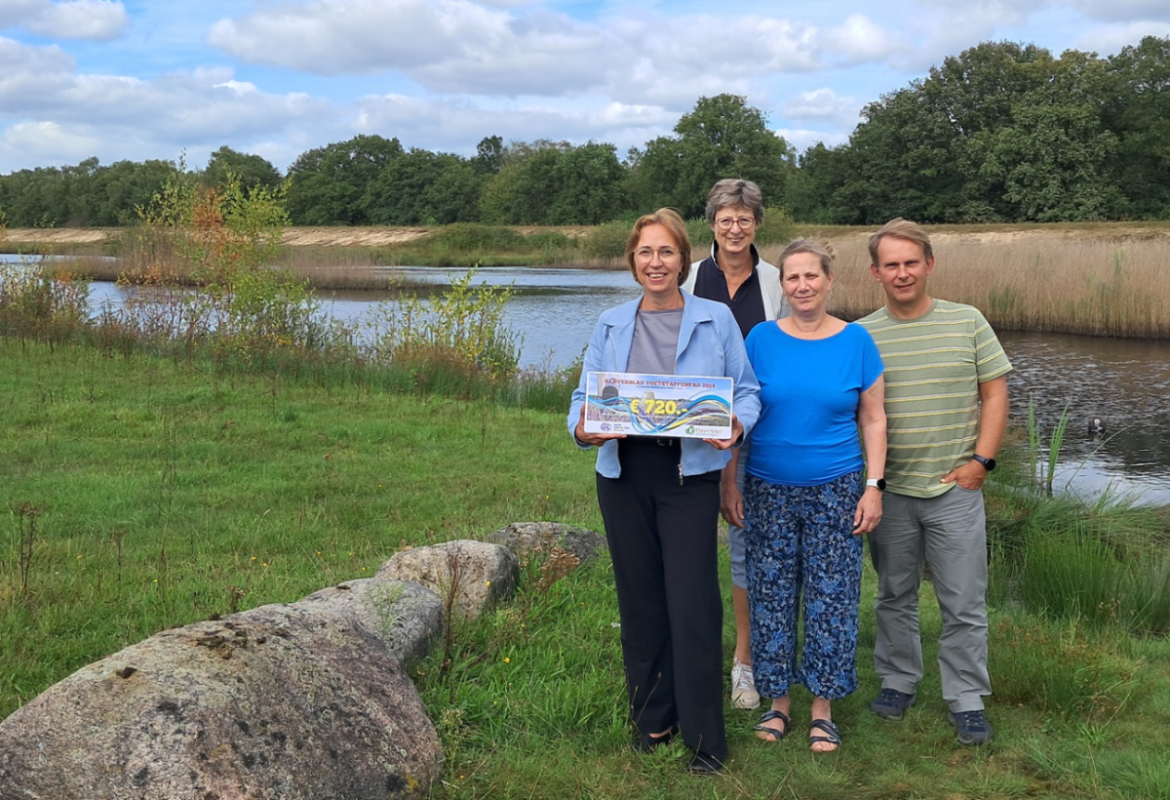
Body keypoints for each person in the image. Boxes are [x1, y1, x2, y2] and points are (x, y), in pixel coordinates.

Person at [567, 208, 760, 773]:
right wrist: (583, 427)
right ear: (633, 261)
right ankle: (655, 719)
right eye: (645, 253)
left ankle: (706, 738)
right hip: (624, 475)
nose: (656, 263)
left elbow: (745, 392)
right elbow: (584, 399)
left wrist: (735, 425)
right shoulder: (609, 322)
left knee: (693, 601)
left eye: (667, 252)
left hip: (689, 477)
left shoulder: (715, 319)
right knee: (641, 600)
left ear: (684, 259)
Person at [857, 218, 1011, 747]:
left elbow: (994, 394)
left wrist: (981, 463)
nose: (902, 273)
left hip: (954, 488)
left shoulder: (967, 322)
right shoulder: (862, 335)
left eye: (911, 263)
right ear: (876, 272)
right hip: (890, 490)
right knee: (894, 593)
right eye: (891, 265)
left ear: (929, 264)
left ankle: (966, 697)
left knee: (963, 599)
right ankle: (899, 681)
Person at [741, 240, 886, 753]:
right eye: (792, 278)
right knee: (772, 593)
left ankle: (822, 707)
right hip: (767, 486)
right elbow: (738, 412)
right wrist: (727, 480)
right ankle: (777, 702)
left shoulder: (856, 341)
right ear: (781, 285)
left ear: (829, 281)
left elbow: (872, 417)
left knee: (832, 597)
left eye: (811, 276)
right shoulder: (759, 339)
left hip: (838, 486)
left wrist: (874, 486)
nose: (802, 286)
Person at [681, 178, 788, 711]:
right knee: (692, 547)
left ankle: (746, 661)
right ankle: (692, 655)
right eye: (726, 218)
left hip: (765, 431)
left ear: (757, 224)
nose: (735, 227)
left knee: (750, 544)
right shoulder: (689, 281)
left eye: (744, 218)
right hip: (696, 436)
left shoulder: (776, 281)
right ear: (712, 223)